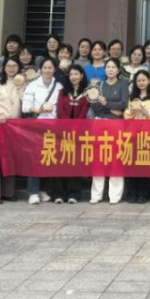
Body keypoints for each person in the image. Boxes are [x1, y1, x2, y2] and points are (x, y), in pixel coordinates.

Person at [22, 59, 64, 204]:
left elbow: (61, 106)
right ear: (41, 69)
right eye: (45, 67)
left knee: (49, 158)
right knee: (35, 158)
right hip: (37, 125)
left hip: (53, 126)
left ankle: (43, 189)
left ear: (54, 70)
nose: (47, 70)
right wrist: (37, 109)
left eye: (50, 67)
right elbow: (25, 106)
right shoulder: (33, 85)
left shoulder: (59, 86)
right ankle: (33, 191)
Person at [0, 56, 24, 204]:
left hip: (14, 125)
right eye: (8, 66)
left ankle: (8, 192)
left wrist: (20, 88)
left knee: (11, 158)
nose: (11, 69)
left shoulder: (23, 84)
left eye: (14, 66)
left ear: (19, 68)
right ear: (4, 68)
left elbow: (26, 102)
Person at [90, 58, 129, 204]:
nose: (110, 69)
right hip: (100, 122)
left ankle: (115, 195)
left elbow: (123, 104)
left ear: (118, 70)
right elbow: (94, 106)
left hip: (116, 124)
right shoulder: (98, 85)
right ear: (105, 70)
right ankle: (96, 194)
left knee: (116, 158)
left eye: (113, 67)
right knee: (98, 159)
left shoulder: (123, 84)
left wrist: (106, 103)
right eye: (108, 67)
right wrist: (112, 108)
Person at [52, 65, 91, 204]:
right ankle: (58, 194)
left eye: (76, 74)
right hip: (62, 132)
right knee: (60, 162)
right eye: (71, 74)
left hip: (79, 133)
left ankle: (74, 194)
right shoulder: (62, 92)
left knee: (75, 163)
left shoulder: (87, 93)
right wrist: (67, 126)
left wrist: (75, 127)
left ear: (81, 75)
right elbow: (59, 110)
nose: (73, 76)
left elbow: (85, 111)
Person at [125, 69, 150, 204]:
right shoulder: (132, 97)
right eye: (138, 80)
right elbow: (126, 116)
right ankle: (131, 193)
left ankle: (143, 193)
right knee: (132, 164)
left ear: (149, 81)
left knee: (144, 164)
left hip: (148, 135)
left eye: (143, 80)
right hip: (133, 134)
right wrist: (132, 111)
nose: (141, 83)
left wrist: (147, 112)